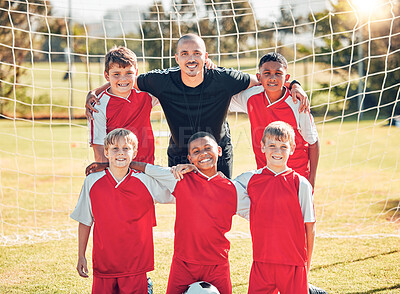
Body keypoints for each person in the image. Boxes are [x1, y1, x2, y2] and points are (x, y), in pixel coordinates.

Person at [85, 34, 309, 178]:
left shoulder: (224, 78)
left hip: (218, 149)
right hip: (181, 151)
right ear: (176, 58)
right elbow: (126, 78)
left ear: (205, 57)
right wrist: (95, 92)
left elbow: (264, 79)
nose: (190, 59)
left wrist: (294, 84)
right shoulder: (161, 80)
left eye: (196, 54)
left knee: (219, 206)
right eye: (185, 54)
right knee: (187, 207)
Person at [88, 132, 250, 294]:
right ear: (189, 158)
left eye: (208, 148)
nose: (203, 154)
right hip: (183, 264)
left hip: (218, 264)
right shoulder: (179, 178)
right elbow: (148, 169)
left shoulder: (233, 189)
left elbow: (256, 215)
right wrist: (108, 166)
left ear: (219, 151)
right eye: (196, 151)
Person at [70, 128, 174, 294]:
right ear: (106, 152)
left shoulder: (146, 181)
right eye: (115, 149)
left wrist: (160, 169)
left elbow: (176, 194)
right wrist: (81, 255)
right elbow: (84, 220)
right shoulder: (92, 181)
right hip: (104, 264)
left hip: (136, 265)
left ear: (134, 152)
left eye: (126, 148)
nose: (121, 153)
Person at [234, 121, 316, 294]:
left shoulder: (300, 184)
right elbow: (222, 187)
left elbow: (310, 227)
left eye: (283, 146)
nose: (277, 151)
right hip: (261, 262)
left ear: (292, 148)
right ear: (262, 146)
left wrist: (306, 267)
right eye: (272, 145)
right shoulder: (249, 179)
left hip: (293, 264)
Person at [230, 52, 320, 187]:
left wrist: (311, 179)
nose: (272, 78)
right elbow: (223, 95)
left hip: (297, 174)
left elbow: (313, 142)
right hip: (266, 173)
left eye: (278, 73)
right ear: (259, 77)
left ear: (286, 77)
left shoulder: (298, 102)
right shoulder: (250, 96)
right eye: (267, 73)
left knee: (296, 209)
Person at [89, 46, 158, 164]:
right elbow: (99, 148)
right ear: (107, 76)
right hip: (118, 171)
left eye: (129, 73)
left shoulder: (146, 94)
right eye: (116, 74)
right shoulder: (99, 105)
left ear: (136, 73)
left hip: (146, 168)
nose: (123, 79)